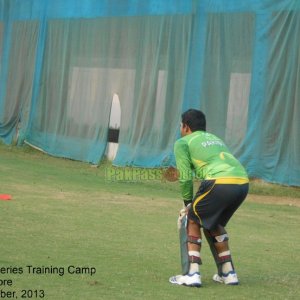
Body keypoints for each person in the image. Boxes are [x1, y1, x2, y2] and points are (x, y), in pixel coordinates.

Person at [169, 109, 249, 287]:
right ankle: (228, 274)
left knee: (192, 219)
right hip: (242, 183)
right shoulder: (215, 139)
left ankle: (192, 274)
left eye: (181, 126)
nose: (180, 129)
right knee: (213, 222)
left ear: (186, 127)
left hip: (219, 182)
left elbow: (184, 176)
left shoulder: (183, 142)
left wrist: (188, 203)